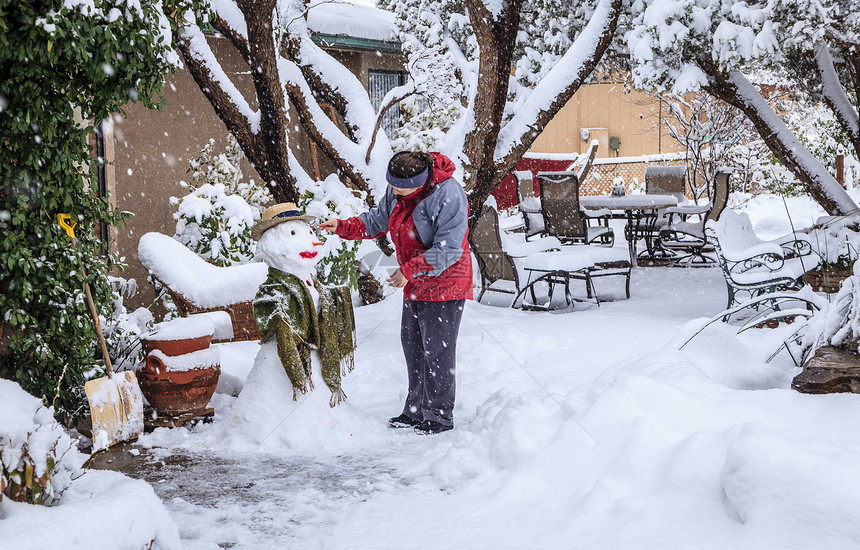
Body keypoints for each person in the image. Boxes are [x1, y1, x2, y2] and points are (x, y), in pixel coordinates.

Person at [319, 151, 472, 434]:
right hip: (416, 281)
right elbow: (376, 221)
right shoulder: (398, 192)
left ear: (423, 179)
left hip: (446, 282)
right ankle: (415, 410)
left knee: (437, 351)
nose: (396, 191)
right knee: (413, 347)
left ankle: (439, 416)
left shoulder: (448, 194)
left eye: (402, 186)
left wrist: (409, 270)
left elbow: (450, 249)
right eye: (393, 185)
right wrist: (342, 226)